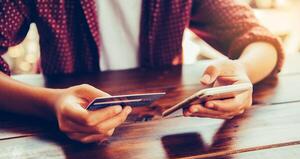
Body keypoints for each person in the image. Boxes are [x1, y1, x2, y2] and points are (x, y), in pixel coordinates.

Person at [0, 0, 284, 143]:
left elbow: (258, 37)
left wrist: (243, 71)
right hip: (65, 148)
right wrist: (51, 105)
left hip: (156, 133)